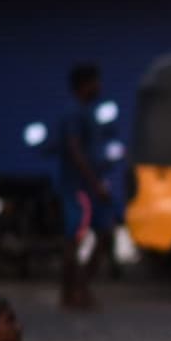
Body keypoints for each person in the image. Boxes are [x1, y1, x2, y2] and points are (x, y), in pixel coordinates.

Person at [56, 63, 113, 311]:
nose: (99, 87)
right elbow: (75, 150)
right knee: (75, 241)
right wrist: (95, 183)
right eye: (95, 82)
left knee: (103, 236)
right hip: (80, 189)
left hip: (88, 188)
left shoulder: (87, 112)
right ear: (85, 85)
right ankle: (73, 292)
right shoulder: (74, 113)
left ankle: (78, 289)